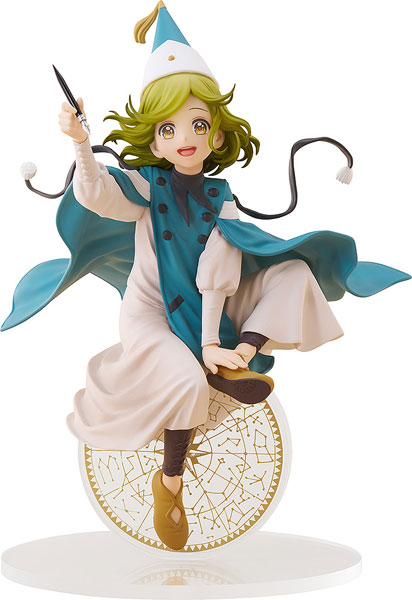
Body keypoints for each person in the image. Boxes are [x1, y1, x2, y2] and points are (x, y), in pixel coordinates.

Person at [2, 2, 410, 550]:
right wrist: (80, 140)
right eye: (169, 128)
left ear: (217, 135)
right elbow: (96, 194)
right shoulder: (146, 187)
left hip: (210, 310)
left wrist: (218, 341)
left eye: (198, 124)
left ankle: (238, 357)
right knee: (189, 381)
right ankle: (169, 482)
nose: (185, 138)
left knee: (292, 271)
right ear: (154, 141)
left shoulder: (222, 197)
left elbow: (220, 272)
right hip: (152, 315)